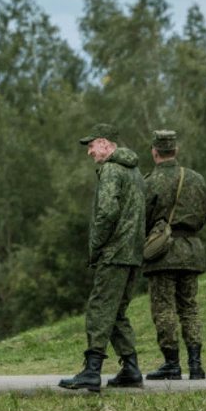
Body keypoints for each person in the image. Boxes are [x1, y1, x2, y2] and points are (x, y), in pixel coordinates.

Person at [60, 124, 146, 393]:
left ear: (106, 144)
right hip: (133, 253)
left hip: (114, 252)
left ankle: (92, 370)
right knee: (117, 311)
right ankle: (130, 368)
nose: (89, 152)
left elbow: (107, 212)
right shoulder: (135, 172)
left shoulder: (111, 169)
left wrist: (96, 246)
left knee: (99, 308)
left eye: (92, 146)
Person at [143, 130, 206, 380]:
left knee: (164, 309)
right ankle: (196, 364)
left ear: (154, 151)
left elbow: (142, 218)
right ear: (176, 151)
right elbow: (205, 214)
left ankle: (171, 363)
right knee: (190, 308)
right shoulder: (196, 179)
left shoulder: (149, 181)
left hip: (162, 254)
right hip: (191, 251)